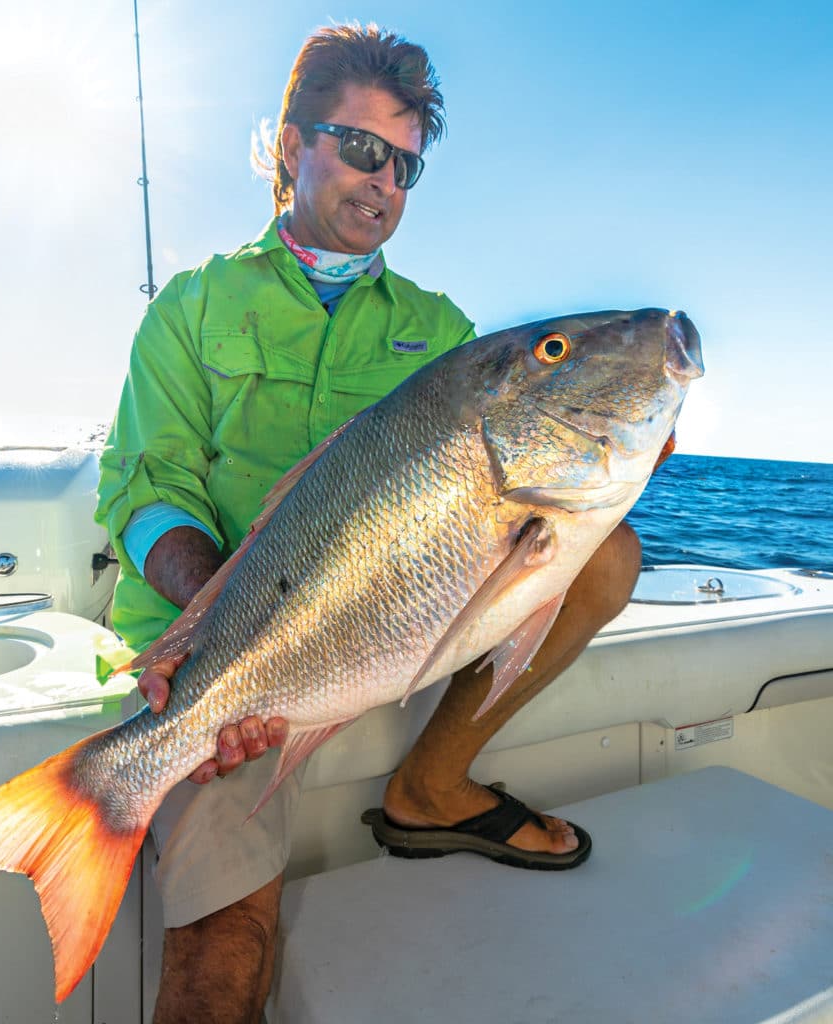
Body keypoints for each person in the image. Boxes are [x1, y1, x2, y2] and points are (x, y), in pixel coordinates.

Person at [96, 23, 641, 1024]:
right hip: (210, 660)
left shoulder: (441, 333)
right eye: (358, 148)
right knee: (224, 948)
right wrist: (218, 628)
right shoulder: (192, 304)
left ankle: (431, 786)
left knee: (604, 552)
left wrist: (609, 454)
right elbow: (143, 489)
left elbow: (495, 500)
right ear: (290, 146)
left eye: (403, 165)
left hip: (384, 628)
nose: (381, 182)